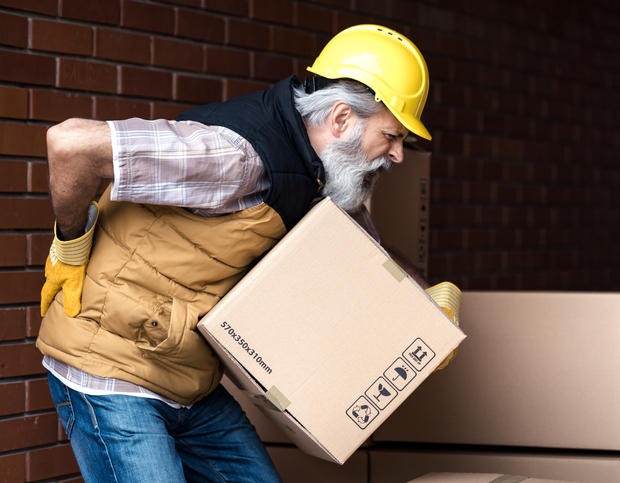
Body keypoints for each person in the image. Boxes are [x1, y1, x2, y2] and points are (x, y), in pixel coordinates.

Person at [36, 24, 431, 482]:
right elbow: (70, 146)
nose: (398, 155)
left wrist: (425, 300)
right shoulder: (235, 158)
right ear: (341, 118)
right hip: (109, 368)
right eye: (393, 136)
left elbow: (364, 251)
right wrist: (70, 244)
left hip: (185, 376)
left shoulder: (320, 173)